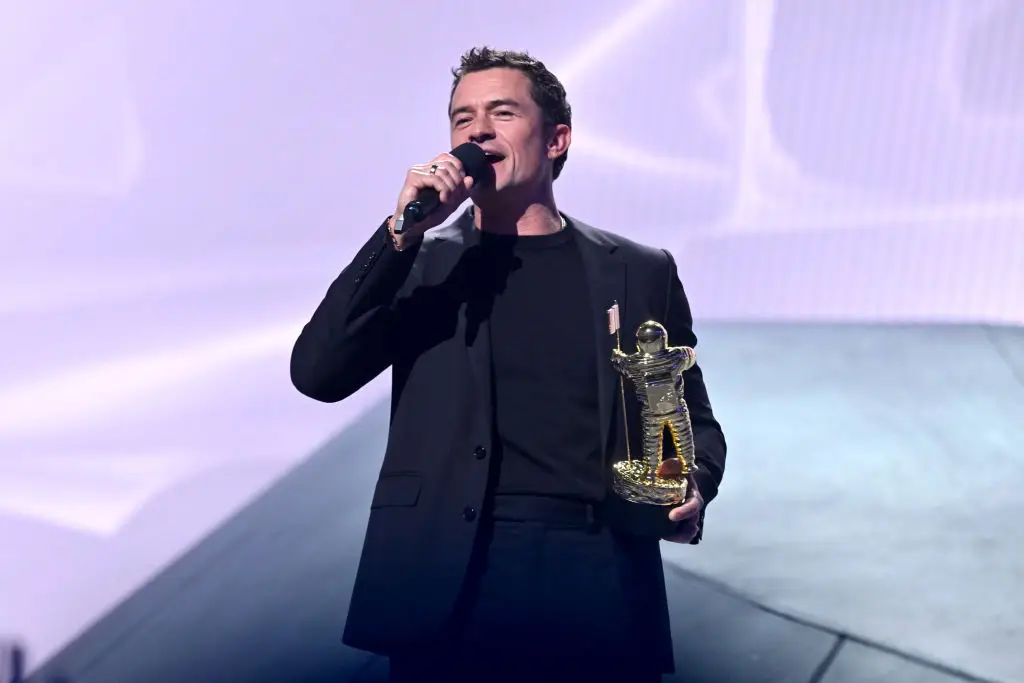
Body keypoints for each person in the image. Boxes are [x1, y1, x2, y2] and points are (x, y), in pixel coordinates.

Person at [290, 46, 726, 683]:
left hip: (596, 576)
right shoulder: (418, 263)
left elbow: (693, 419)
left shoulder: (637, 270)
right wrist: (400, 234)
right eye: (461, 120)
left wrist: (692, 482)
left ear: (556, 139)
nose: (477, 133)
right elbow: (317, 373)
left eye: (501, 113)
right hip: (446, 581)